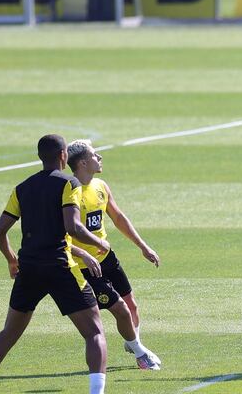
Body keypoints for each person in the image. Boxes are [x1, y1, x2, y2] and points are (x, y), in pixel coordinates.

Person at [0, 134, 111, 394]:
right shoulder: (69, 183)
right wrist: (99, 243)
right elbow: (73, 226)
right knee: (94, 333)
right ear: (63, 157)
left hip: (29, 269)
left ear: (40, 157)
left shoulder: (22, 188)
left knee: (9, 333)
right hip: (60, 267)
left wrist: (12, 259)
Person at [66, 139, 162, 370]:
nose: (99, 158)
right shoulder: (70, 193)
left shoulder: (100, 186)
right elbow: (64, 234)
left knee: (132, 306)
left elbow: (118, 218)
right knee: (121, 309)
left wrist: (143, 246)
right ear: (81, 163)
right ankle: (140, 354)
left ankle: (133, 342)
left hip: (106, 258)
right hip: (84, 266)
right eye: (94, 155)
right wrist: (84, 254)